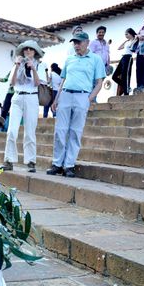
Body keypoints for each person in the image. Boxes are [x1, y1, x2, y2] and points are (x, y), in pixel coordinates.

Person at [46, 32, 105, 178]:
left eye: (79, 42)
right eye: (74, 43)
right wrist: (56, 99)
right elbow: (63, 81)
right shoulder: (69, 59)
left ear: (87, 42)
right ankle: (57, 164)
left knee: (75, 132)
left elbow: (99, 83)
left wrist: (88, 99)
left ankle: (69, 165)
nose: (76, 45)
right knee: (60, 130)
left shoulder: (95, 59)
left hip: (82, 95)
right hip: (65, 95)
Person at [1, 40, 46, 173]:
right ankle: (9, 160)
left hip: (32, 96)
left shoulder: (40, 65)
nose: (28, 51)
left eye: (31, 49)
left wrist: (32, 68)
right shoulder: (17, 64)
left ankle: (31, 161)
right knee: (11, 130)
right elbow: (12, 82)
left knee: (30, 131)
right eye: (25, 49)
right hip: (17, 96)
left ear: (35, 52)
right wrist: (16, 66)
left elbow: (38, 83)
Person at [112, 28, 137, 96]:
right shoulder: (127, 42)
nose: (126, 35)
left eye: (127, 34)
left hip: (128, 57)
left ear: (131, 34)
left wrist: (134, 38)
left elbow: (132, 47)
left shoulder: (134, 40)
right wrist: (126, 41)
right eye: (125, 34)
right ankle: (126, 87)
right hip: (123, 58)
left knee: (125, 75)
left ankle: (126, 92)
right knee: (114, 76)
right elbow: (119, 48)